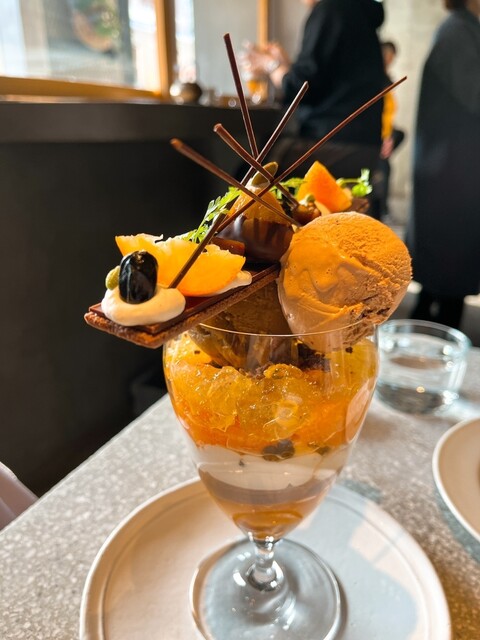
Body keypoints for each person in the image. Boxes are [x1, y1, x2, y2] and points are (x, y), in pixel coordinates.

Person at [240, 0, 386, 180]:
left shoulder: (329, 9)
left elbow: (301, 89)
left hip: (334, 141)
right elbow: (322, 79)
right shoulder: (356, 10)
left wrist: (270, 65)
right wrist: (286, 66)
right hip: (363, 145)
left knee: (254, 172)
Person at [407, 0, 480, 330]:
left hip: (453, 164)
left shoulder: (461, 30)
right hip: (452, 167)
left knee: (444, 268)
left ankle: (430, 327)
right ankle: (434, 335)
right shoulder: (458, 32)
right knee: (449, 262)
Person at [370, 40, 406, 221]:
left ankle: (382, 211)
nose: (389, 61)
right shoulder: (374, 81)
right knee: (383, 169)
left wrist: (389, 136)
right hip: (374, 136)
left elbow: (388, 115)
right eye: (386, 56)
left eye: (391, 58)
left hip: (384, 135)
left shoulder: (386, 82)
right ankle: (380, 212)